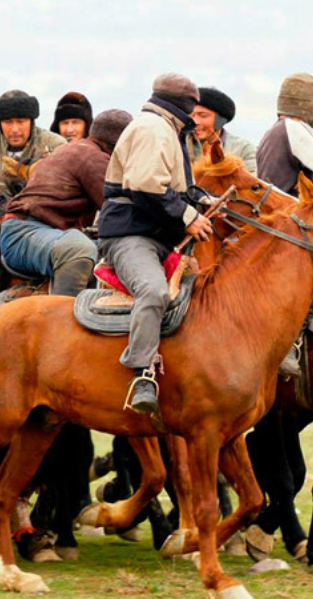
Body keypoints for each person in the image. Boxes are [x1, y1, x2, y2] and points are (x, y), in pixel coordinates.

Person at [97, 74, 213, 415]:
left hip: (157, 236)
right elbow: (146, 187)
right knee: (153, 291)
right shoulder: (154, 129)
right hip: (131, 237)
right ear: (184, 105)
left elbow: (172, 186)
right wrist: (189, 216)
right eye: (193, 107)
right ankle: (142, 373)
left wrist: (203, 199)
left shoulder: (167, 128)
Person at [1, 108, 133, 296]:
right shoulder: (94, 158)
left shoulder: (77, 150)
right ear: (119, 145)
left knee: (110, 253)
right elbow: (121, 210)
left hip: (36, 232)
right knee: (78, 250)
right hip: (25, 233)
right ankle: (58, 320)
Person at [0, 89, 66, 194]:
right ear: (0, 124)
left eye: (21, 121)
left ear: (31, 122)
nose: (14, 129)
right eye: (8, 122)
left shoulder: (55, 145)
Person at [188, 86, 256, 174]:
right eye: (190, 115)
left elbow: (251, 181)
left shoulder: (243, 149)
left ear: (220, 120)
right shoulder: (179, 144)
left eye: (203, 115)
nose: (195, 121)